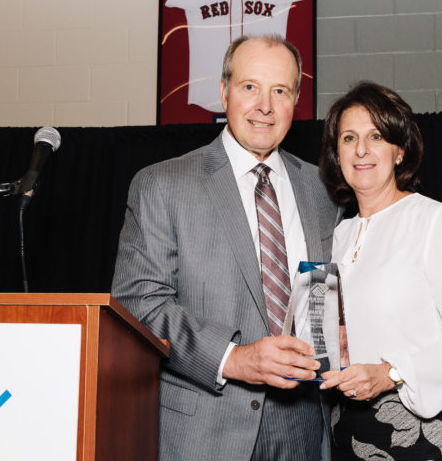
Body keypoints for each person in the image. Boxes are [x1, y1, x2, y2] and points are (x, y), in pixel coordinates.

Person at [111, 35, 341, 460]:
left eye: (280, 91)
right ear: (223, 92)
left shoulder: (323, 190)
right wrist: (234, 359)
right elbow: (138, 304)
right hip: (207, 432)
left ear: (297, 100)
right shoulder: (162, 185)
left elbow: (327, 296)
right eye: (250, 87)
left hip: (308, 428)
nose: (265, 106)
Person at [317, 81, 442, 460]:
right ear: (337, 154)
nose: (361, 150)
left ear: (399, 150)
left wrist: (388, 373)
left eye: (375, 136)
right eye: (348, 138)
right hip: (348, 429)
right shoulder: (337, 236)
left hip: (427, 430)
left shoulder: (436, 221)